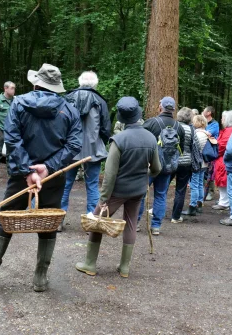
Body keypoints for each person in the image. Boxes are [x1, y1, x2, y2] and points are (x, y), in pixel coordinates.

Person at [0, 63, 82, 292]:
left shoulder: (18, 103)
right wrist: (47, 168)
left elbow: (12, 139)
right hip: (52, 176)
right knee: (49, 221)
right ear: (57, 87)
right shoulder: (70, 109)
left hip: (19, 174)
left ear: (35, 83)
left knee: (6, 217)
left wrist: (26, 170)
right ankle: (40, 279)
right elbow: (75, 144)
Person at [75, 97, 160, 277]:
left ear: (122, 118)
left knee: (97, 222)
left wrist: (104, 198)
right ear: (137, 114)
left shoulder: (119, 140)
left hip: (117, 191)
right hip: (138, 190)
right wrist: (146, 177)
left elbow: (110, 174)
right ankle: (124, 268)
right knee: (130, 224)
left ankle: (89, 264)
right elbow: (157, 168)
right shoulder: (151, 138)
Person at [61, 71, 112, 228]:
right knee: (92, 185)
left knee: (65, 184)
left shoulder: (67, 99)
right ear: (95, 83)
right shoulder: (100, 101)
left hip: (70, 150)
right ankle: (91, 222)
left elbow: (61, 124)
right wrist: (99, 142)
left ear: (80, 82)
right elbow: (105, 128)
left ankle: (58, 221)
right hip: (93, 150)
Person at [138, 97, 186, 236]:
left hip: (149, 166)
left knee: (141, 194)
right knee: (160, 195)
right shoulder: (179, 127)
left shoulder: (151, 123)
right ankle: (156, 227)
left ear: (161, 107)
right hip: (167, 167)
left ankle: (135, 223)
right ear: (173, 109)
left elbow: (141, 142)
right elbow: (180, 149)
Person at [169, 107, 197, 223]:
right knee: (181, 190)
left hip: (172, 161)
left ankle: (156, 211)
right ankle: (175, 217)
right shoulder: (191, 130)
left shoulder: (173, 126)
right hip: (186, 163)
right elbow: (195, 146)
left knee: (163, 187)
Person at [181, 115, 211, 217]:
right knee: (199, 184)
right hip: (204, 163)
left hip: (196, 163)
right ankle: (199, 205)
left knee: (194, 185)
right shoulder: (207, 134)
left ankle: (192, 207)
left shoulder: (197, 135)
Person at [212, 110, 232, 211]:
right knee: (223, 181)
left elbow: (222, 146)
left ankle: (224, 203)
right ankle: (224, 200)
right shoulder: (230, 130)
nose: (221, 120)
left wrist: (213, 152)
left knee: (223, 181)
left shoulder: (229, 131)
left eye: (222, 118)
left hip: (223, 160)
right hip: (223, 160)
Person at [202, 106, 219, 201]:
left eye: (204, 110)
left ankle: (211, 192)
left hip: (210, 151)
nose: (202, 112)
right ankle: (203, 191)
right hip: (202, 150)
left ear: (208, 113)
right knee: (203, 171)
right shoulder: (203, 122)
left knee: (210, 172)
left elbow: (208, 133)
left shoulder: (214, 124)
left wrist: (200, 130)